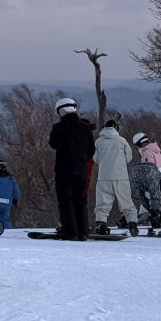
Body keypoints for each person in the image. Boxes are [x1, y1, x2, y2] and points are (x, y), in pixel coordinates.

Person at [48, 97, 95, 240]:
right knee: (81, 201)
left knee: (66, 201)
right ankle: (83, 232)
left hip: (63, 170)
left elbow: (53, 144)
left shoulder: (57, 128)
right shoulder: (85, 128)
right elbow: (91, 150)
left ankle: (71, 232)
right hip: (81, 170)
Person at [92, 119, 138, 236]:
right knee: (126, 203)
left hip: (104, 177)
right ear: (116, 128)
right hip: (121, 176)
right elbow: (129, 157)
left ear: (104, 128)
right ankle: (132, 225)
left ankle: (100, 224)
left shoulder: (99, 142)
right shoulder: (122, 141)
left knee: (103, 204)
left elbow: (95, 159)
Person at [127, 160, 161, 236]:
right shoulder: (158, 175)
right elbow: (156, 195)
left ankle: (127, 218)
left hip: (134, 172)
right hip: (150, 172)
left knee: (134, 197)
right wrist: (157, 211)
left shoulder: (157, 173)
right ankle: (156, 217)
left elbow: (141, 198)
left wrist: (150, 209)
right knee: (155, 196)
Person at [0, 158, 20, 229]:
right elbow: (17, 191)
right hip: (7, 204)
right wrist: (15, 200)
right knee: (6, 220)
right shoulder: (11, 178)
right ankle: (8, 234)